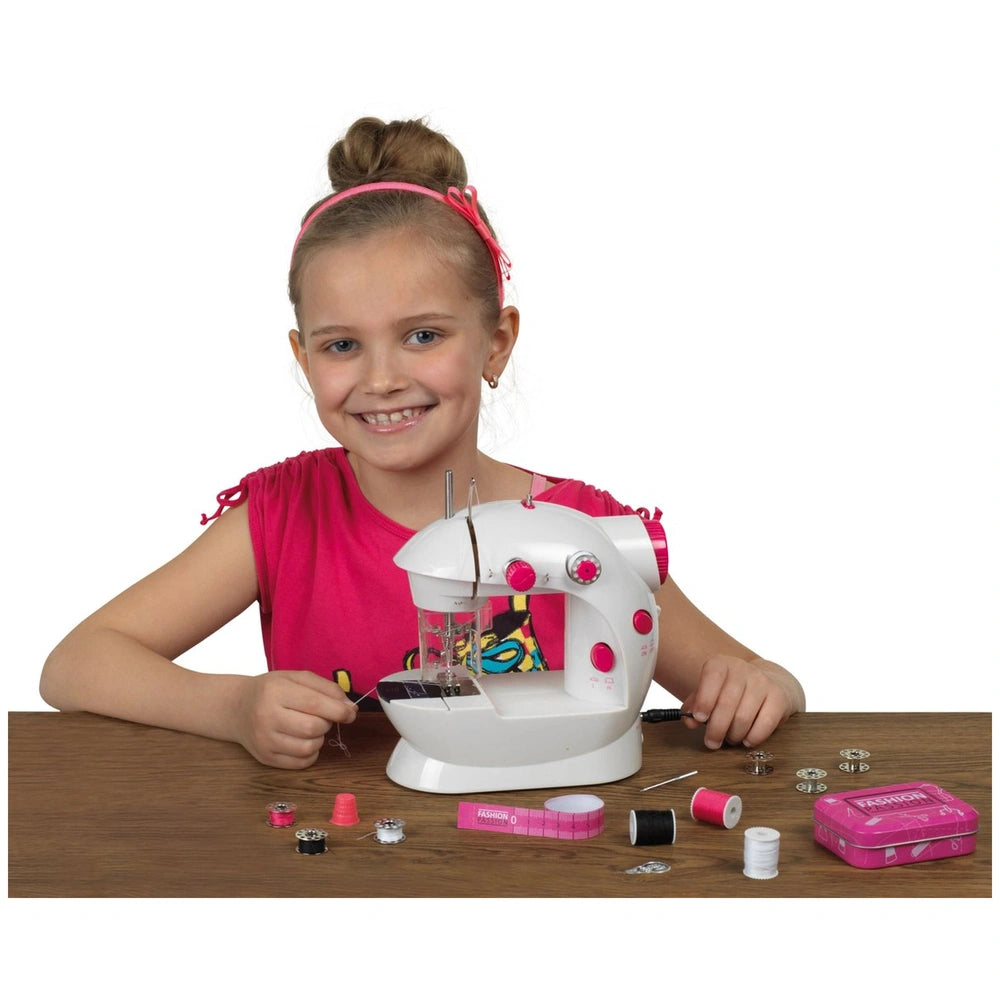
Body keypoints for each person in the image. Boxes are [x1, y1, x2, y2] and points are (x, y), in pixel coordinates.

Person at [40, 116, 805, 769]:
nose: (380, 378)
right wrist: (234, 707)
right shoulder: (283, 518)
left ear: (496, 342)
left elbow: (756, 680)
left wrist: (758, 688)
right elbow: (77, 664)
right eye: (341, 346)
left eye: (423, 335)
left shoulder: (585, 530)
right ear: (303, 359)